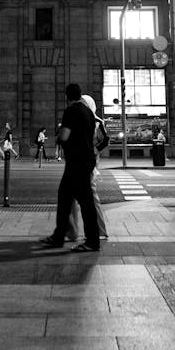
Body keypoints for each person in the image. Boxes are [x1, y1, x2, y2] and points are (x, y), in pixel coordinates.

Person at [39, 83, 100, 253]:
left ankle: (92, 241)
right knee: (66, 198)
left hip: (76, 162)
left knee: (85, 202)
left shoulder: (71, 111)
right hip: (86, 160)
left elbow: (65, 136)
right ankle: (59, 236)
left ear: (67, 97)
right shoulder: (88, 112)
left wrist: (59, 135)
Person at [68, 94, 109, 241]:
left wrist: (94, 151)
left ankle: (99, 231)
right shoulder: (78, 119)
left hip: (89, 162)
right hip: (77, 160)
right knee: (71, 195)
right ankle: (72, 232)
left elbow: (105, 140)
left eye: (85, 104)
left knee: (90, 194)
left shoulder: (97, 121)